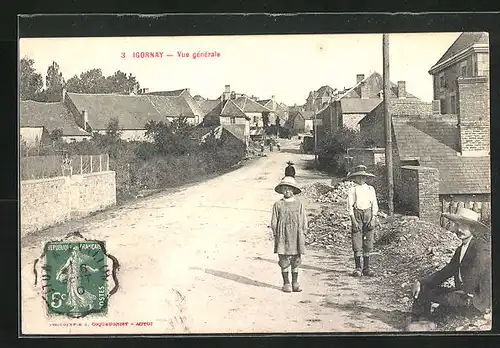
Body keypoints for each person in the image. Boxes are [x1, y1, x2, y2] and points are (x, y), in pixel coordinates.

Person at [409, 207, 491, 324]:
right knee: (423, 288)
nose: (459, 229)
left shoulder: (480, 248)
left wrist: (461, 296)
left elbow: (477, 276)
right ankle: (420, 321)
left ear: (473, 228)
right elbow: (446, 272)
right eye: (457, 225)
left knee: (448, 299)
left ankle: (423, 323)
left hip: (475, 301)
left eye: (464, 226)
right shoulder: (460, 249)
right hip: (462, 294)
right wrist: (421, 281)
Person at [271, 176, 307, 293]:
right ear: (281, 190)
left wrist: (303, 232)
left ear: (294, 190)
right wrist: (276, 233)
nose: (287, 191)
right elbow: (274, 220)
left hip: (296, 235)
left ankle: (295, 282)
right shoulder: (278, 205)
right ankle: (286, 283)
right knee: (284, 259)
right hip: (283, 236)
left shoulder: (299, 204)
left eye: (290, 189)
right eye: (285, 189)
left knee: (296, 259)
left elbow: (303, 219)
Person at [346, 165, 378, 277]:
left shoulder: (370, 189)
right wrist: (353, 220)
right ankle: (358, 268)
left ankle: (367, 267)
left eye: (363, 177)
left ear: (366, 178)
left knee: (368, 240)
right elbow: (350, 206)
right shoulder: (352, 189)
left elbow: (374, 204)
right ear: (355, 178)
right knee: (357, 239)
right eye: (359, 177)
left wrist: (373, 218)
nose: (361, 179)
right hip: (357, 214)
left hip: (368, 214)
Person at [56, 246, 99, 313]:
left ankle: (90, 302)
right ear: (73, 252)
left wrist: (93, 270)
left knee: (78, 292)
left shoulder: (80, 260)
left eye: (76, 251)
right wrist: (59, 274)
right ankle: (76, 307)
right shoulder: (71, 259)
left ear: (78, 252)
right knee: (72, 293)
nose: (75, 252)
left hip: (77, 278)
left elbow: (86, 267)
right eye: (74, 251)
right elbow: (65, 267)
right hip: (71, 278)